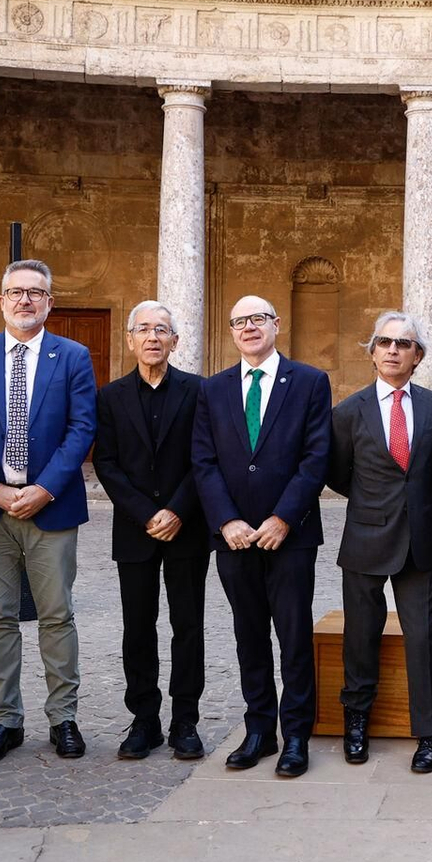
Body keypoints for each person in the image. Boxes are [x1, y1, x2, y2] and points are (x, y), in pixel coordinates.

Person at [0, 259, 97, 766]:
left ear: (49, 302)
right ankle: (5, 721)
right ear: (1, 300)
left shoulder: (73, 356)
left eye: (36, 292)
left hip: (50, 510)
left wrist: (45, 489)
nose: (25, 300)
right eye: (16, 292)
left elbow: (82, 428)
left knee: (57, 615)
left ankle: (64, 718)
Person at [192, 295, 331, 778]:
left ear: (276, 324)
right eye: (239, 321)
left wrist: (283, 518)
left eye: (258, 319)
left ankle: (296, 735)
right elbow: (203, 461)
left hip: (289, 536)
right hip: (234, 538)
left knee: (293, 636)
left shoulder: (310, 381)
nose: (249, 327)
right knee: (248, 635)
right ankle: (259, 730)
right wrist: (226, 521)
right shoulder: (213, 389)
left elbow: (316, 457)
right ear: (232, 331)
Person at [327, 311, 432, 773]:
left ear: (418, 356)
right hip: (365, 538)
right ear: (373, 352)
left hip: (421, 541)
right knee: (360, 635)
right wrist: (373, 503)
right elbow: (338, 473)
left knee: (422, 637)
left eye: (404, 344)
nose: (393, 350)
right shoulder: (347, 412)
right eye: (384, 342)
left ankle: (428, 734)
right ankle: (356, 721)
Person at [92, 300, 209, 761]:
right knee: (138, 627)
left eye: (162, 329)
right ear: (130, 340)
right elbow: (107, 463)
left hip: (187, 527)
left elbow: (205, 457)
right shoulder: (110, 397)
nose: (153, 337)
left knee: (188, 626)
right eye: (143, 329)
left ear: (175, 341)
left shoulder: (199, 391)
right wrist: (147, 514)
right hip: (135, 530)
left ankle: (185, 721)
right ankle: (144, 720)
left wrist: (177, 509)